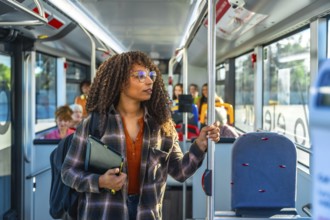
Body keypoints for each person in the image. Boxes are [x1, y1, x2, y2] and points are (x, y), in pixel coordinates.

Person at [61, 51, 220, 220]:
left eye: (151, 75)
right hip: (104, 212)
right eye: (141, 76)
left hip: (146, 213)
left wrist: (200, 145)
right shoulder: (94, 124)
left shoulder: (162, 126)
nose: (150, 81)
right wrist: (100, 181)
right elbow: (68, 172)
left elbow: (180, 171)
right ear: (121, 82)